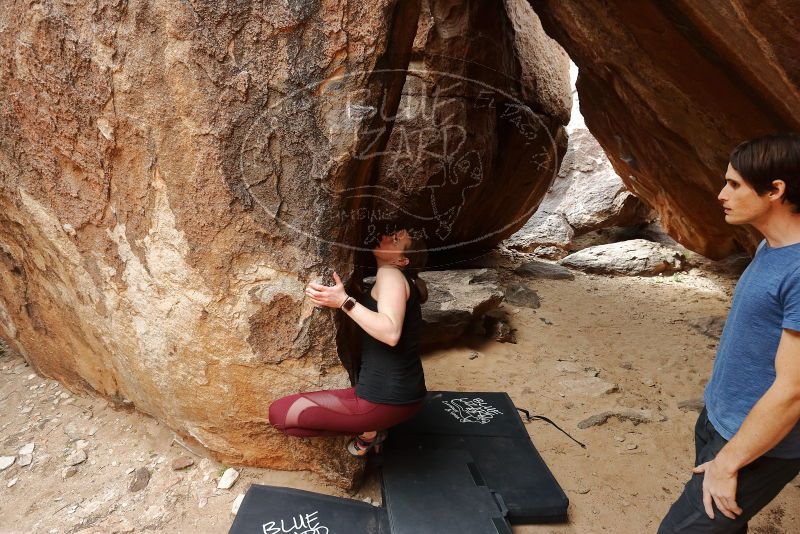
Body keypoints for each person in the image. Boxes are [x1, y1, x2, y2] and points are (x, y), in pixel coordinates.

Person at [659, 133, 800, 533]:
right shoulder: (771, 247)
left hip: (759, 445)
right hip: (719, 418)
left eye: (734, 184)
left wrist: (729, 461)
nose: (721, 194)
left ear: (776, 190)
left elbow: (793, 391)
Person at [268, 228, 429, 456]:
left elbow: (390, 332)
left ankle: (369, 431)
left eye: (395, 240)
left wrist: (343, 301)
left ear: (402, 260)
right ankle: (372, 429)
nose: (385, 236)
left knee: (280, 416)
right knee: (286, 412)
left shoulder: (391, 275)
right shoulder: (392, 278)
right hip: (393, 394)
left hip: (386, 399)